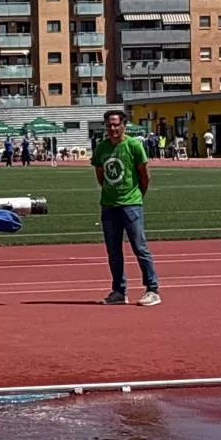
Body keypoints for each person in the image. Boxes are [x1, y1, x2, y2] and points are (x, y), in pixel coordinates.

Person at [92, 109, 160, 306]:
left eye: (115, 124)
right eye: (109, 125)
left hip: (131, 204)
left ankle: (152, 289)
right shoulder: (102, 148)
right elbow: (99, 173)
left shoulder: (133, 145)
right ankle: (119, 291)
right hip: (109, 205)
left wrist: (138, 195)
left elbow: (145, 175)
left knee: (140, 247)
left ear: (123, 125)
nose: (112, 128)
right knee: (113, 251)